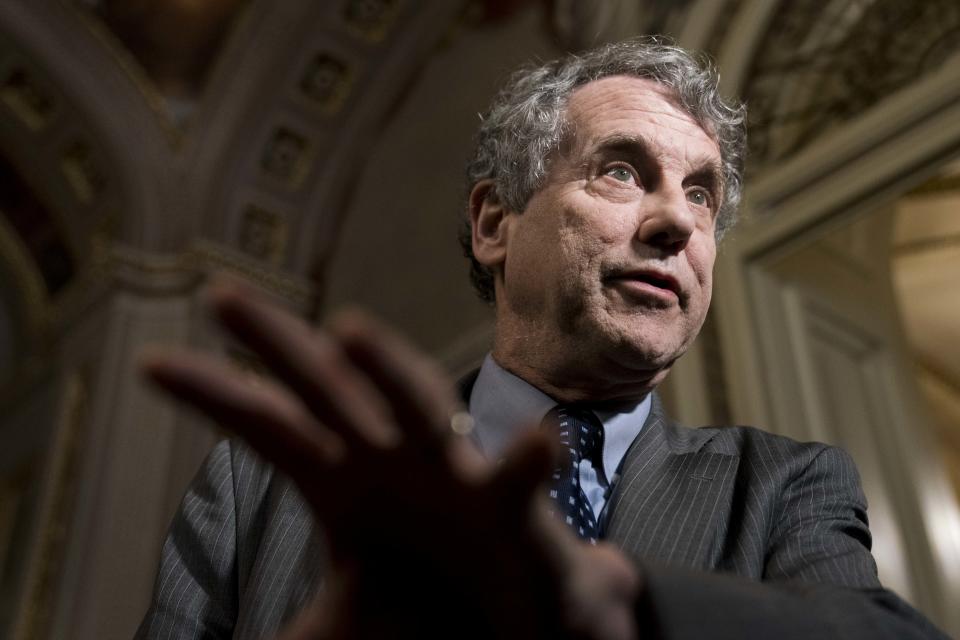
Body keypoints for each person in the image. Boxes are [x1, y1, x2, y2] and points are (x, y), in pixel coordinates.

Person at [135, 38, 949, 639]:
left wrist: (621, 604)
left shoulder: (782, 485)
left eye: (702, 195)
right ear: (495, 222)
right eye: (623, 171)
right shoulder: (258, 484)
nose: (676, 221)